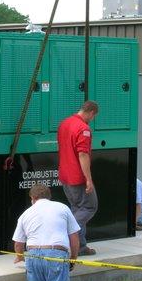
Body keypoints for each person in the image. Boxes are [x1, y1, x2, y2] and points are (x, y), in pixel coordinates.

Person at [12, 184, 80, 281]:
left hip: (33, 256)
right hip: (57, 254)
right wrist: (73, 259)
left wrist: (20, 257)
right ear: (49, 197)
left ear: (32, 198)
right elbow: (74, 237)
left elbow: (18, 244)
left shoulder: (25, 214)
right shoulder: (63, 208)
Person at [57, 100, 99, 256]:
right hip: (77, 177)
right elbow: (82, 154)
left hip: (65, 175)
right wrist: (88, 179)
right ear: (92, 112)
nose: (92, 120)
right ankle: (66, 234)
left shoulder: (64, 123)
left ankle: (80, 246)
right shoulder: (83, 129)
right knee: (89, 207)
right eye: (94, 116)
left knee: (77, 208)